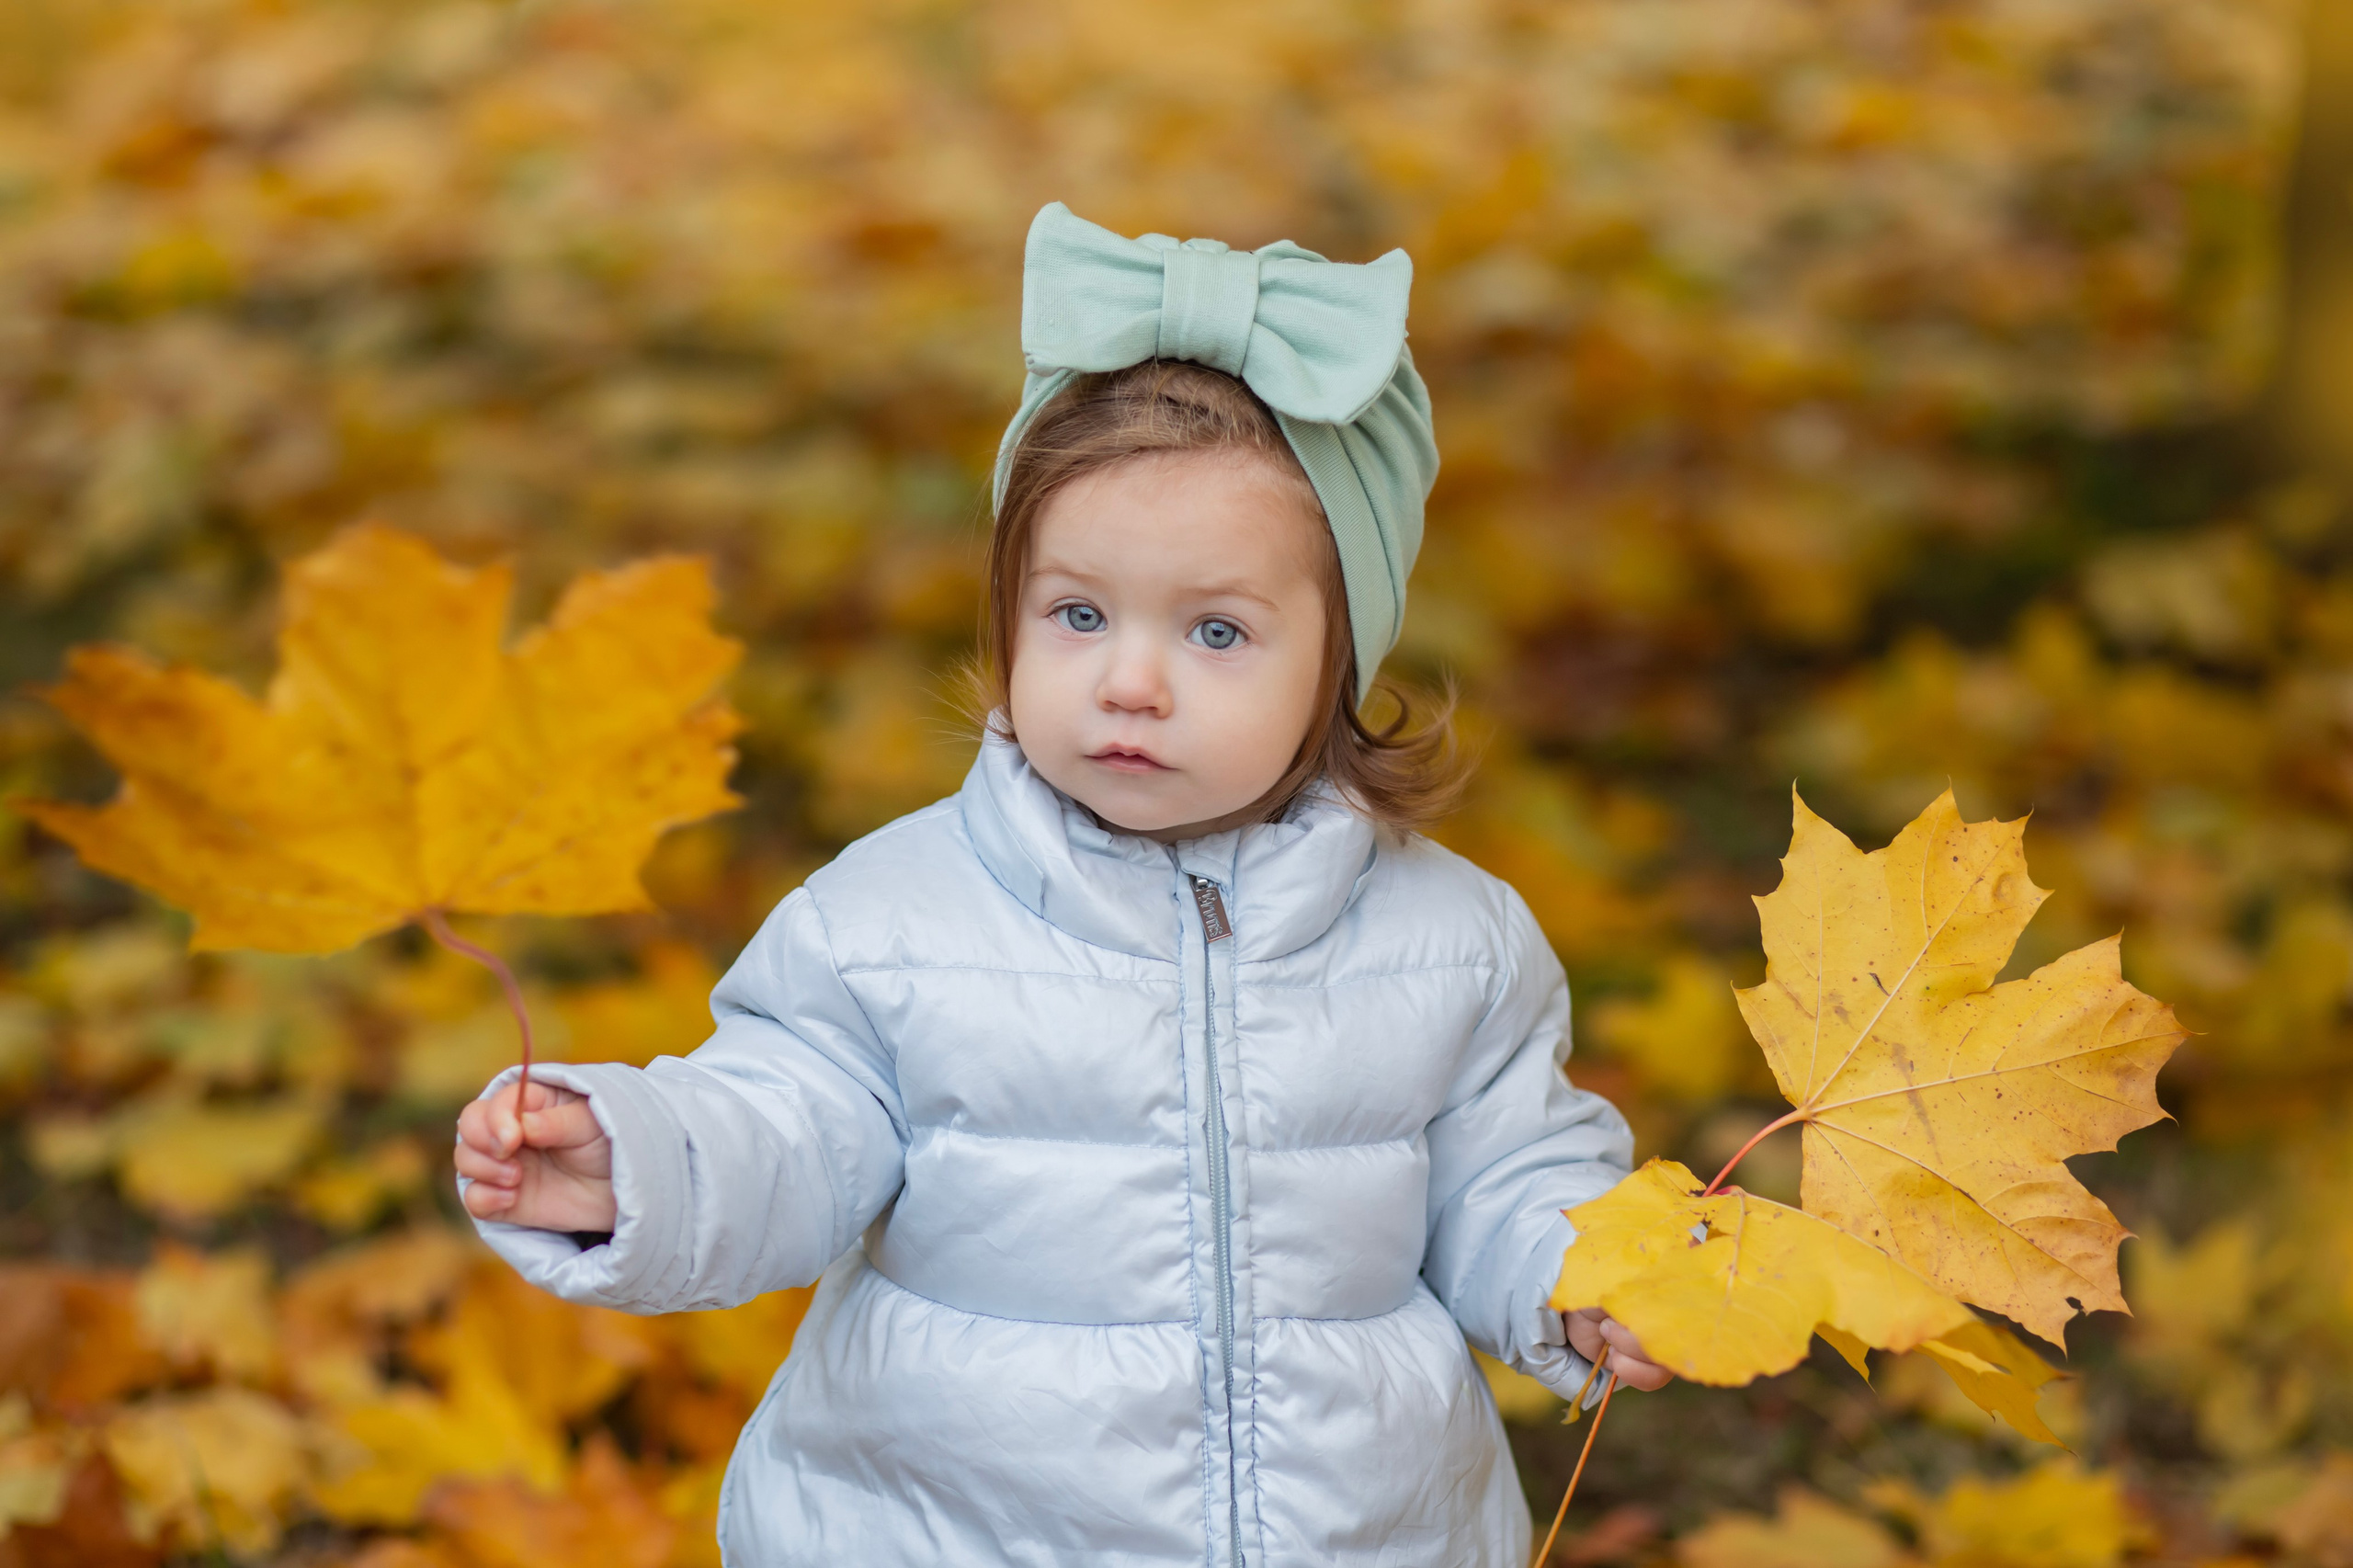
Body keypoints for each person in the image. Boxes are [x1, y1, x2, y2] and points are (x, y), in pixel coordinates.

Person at [452, 201, 1671, 1568]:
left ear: (1338, 661)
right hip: (953, 1528)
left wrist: (1585, 1278)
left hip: (1352, 1530)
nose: (1129, 680)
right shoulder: (895, 923)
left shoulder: (1451, 940)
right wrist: (633, 1167)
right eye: (1077, 614)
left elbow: (1503, 1179)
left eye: (1216, 631)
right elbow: (783, 1127)